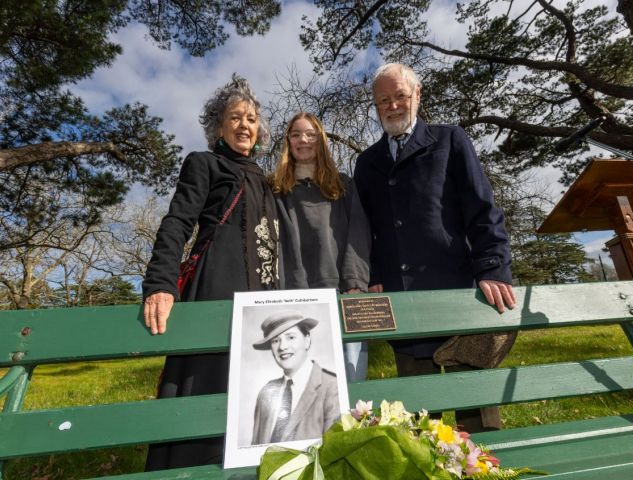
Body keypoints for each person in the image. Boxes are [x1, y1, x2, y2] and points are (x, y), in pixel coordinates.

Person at [353, 63, 517, 432]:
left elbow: (483, 208)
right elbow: (366, 230)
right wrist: (374, 277)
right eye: (383, 101)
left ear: (418, 95)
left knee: (476, 415)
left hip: (455, 293)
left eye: (400, 96)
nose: (393, 106)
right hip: (403, 302)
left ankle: (486, 469)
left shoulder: (449, 140)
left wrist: (492, 267)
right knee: (421, 418)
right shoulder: (366, 163)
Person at [141, 74, 279, 469]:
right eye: (235, 117)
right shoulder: (204, 163)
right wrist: (161, 283)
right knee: (207, 389)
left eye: (252, 119)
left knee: (257, 399)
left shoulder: (266, 179)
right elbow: (178, 222)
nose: (244, 125)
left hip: (264, 300)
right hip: (218, 291)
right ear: (218, 126)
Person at [271, 112, 371, 381]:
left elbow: (358, 235)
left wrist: (355, 283)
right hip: (292, 295)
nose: (303, 140)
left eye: (311, 134)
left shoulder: (343, 185)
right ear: (288, 142)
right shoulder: (275, 190)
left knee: (351, 383)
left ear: (321, 141)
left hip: (340, 292)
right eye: (296, 134)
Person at [251, 310, 340, 444]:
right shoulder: (266, 391)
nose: (282, 347)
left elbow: (333, 450)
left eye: (291, 337)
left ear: (307, 341)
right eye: (275, 341)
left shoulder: (332, 387)